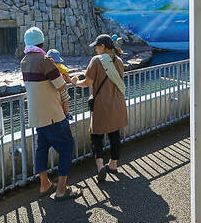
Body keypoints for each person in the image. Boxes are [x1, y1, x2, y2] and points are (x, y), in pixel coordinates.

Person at [20, 27, 81, 201]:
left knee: (42, 148)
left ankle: (44, 183)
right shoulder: (45, 60)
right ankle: (62, 189)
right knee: (67, 147)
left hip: (36, 115)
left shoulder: (24, 61)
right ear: (42, 42)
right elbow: (61, 85)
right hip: (53, 114)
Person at [72, 34, 128, 183]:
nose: (95, 49)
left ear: (103, 46)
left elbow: (88, 82)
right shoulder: (119, 61)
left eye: (97, 46)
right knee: (114, 133)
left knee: (96, 135)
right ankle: (114, 164)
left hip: (102, 104)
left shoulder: (96, 61)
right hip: (117, 103)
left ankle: (100, 166)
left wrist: (76, 82)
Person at [47, 49, 72, 119]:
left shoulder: (47, 66)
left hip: (50, 87)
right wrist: (70, 80)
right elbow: (67, 76)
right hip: (59, 86)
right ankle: (66, 114)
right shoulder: (60, 66)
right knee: (65, 99)